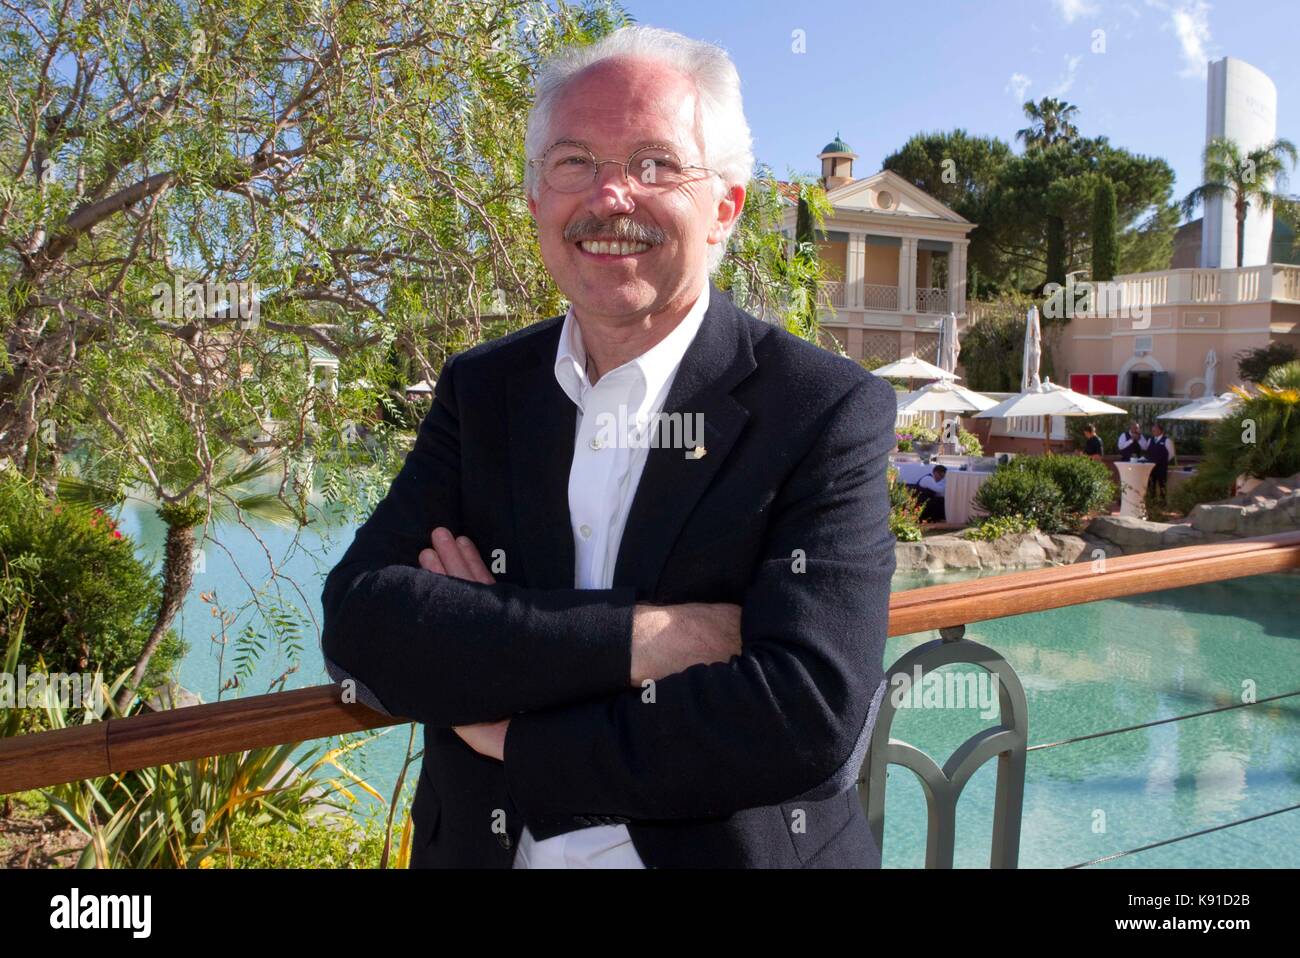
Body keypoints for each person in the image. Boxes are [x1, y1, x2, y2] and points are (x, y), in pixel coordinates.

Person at [320, 26, 896, 870]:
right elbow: (363, 622)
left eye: (656, 163)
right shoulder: (483, 391)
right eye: (574, 162)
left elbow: (805, 712)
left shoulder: (821, 408)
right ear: (535, 201)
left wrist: (513, 734)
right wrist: (647, 639)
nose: (611, 196)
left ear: (725, 209)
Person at [1146, 422, 1176, 499]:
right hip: (1151, 467)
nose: (1153, 431)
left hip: (1161, 467)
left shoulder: (1167, 440)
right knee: (1151, 485)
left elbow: (1171, 454)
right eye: (1152, 430)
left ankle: (1162, 503)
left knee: (1162, 485)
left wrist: (1163, 461)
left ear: (1160, 430)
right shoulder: (1150, 440)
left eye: (1155, 429)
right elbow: (1147, 450)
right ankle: (1152, 501)